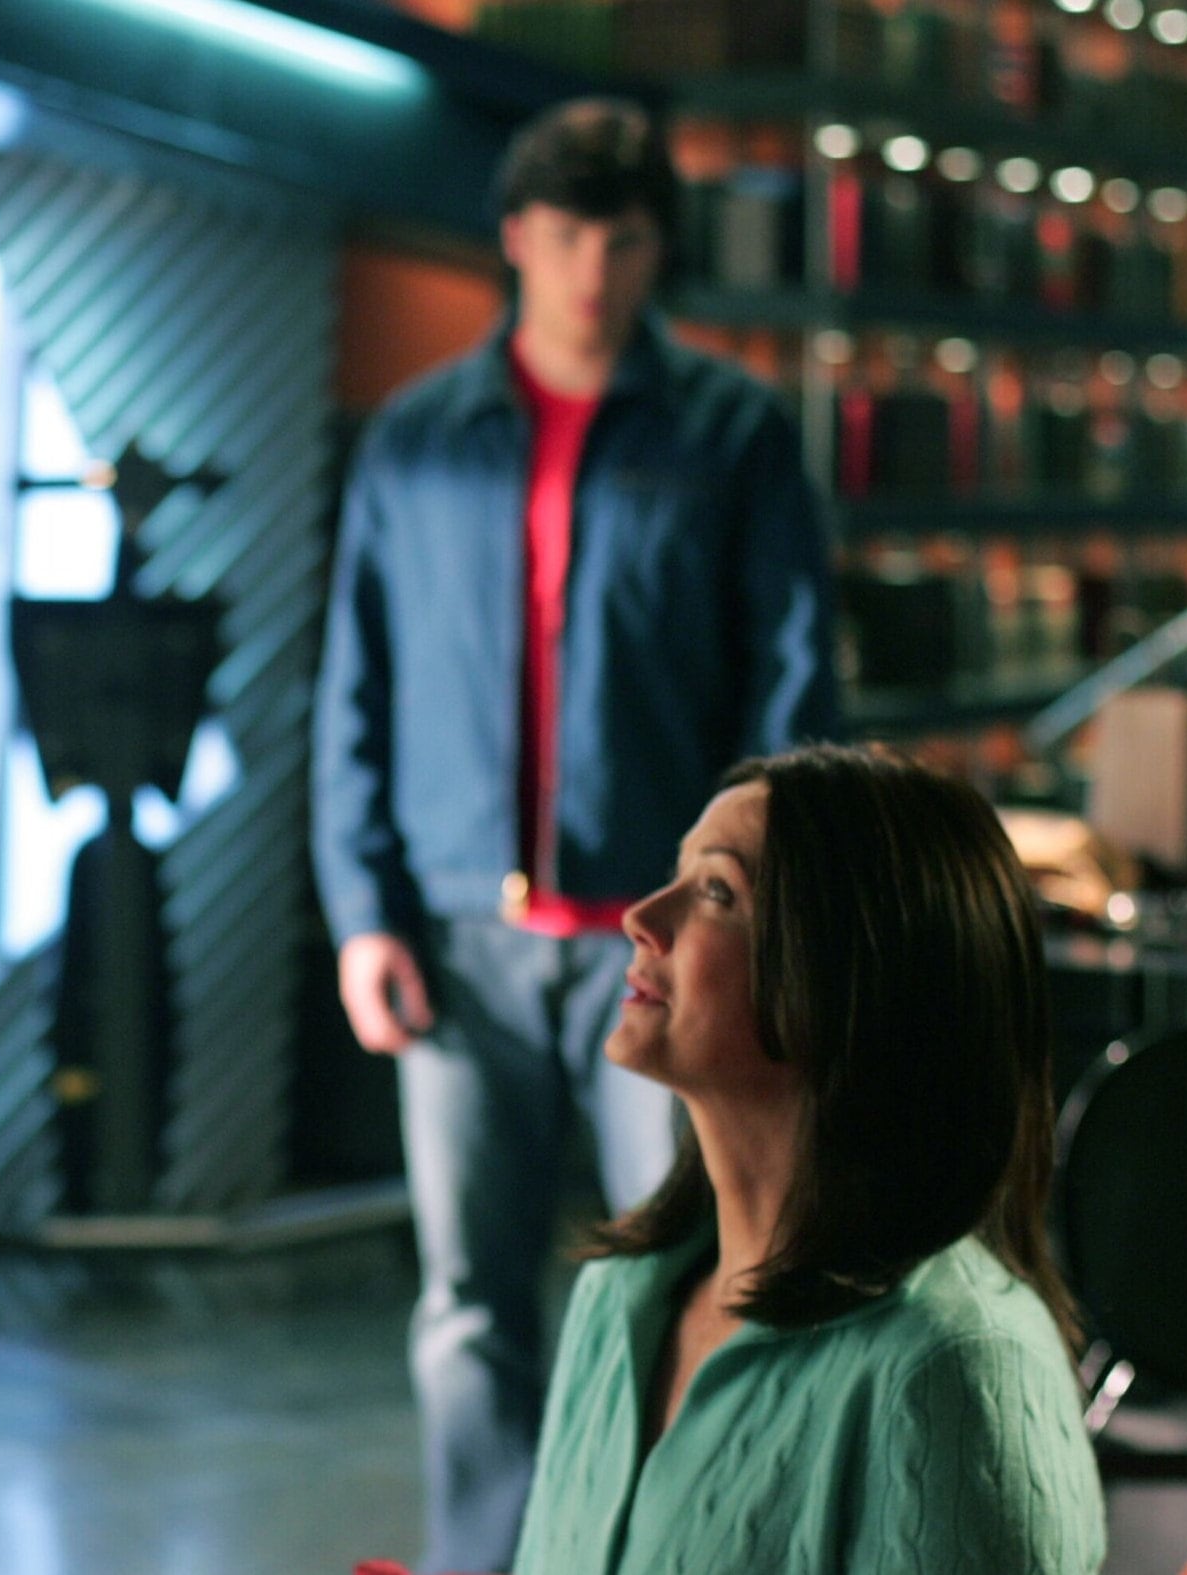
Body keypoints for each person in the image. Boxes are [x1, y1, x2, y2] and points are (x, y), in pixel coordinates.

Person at [310, 96, 841, 1571]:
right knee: (467, 1305)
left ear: (658, 249)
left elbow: (794, 693)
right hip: (457, 938)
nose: (590, 270)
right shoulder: (419, 440)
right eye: (562, 236)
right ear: (514, 240)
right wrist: (362, 911)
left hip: (660, 944)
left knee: (685, 1284)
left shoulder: (733, 435)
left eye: (621, 240)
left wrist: (753, 915)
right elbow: (354, 685)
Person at [514, 746, 1106, 1573]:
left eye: (717, 891)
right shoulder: (616, 1296)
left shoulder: (953, 1371)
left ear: (849, 974)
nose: (641, 917)